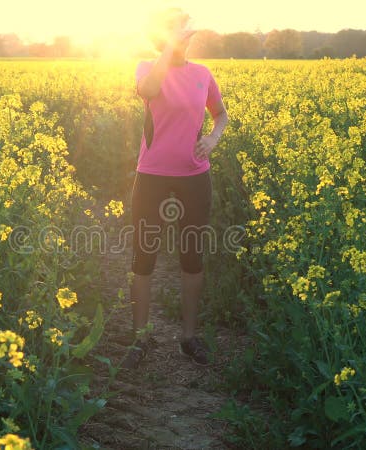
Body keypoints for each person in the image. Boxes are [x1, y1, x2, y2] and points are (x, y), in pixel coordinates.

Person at [120, 8, 228, 369]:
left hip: (194, 176)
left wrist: (213, 139)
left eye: (185, 32)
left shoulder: (202, 74)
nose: (185, 37)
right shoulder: (146, 67)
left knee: (191, 257)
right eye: (176, 32)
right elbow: (149, 89)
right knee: (143, 257)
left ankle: (189, 337)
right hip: (151, 174)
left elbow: (221, 114)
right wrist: (169, 48)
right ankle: (140, 339)